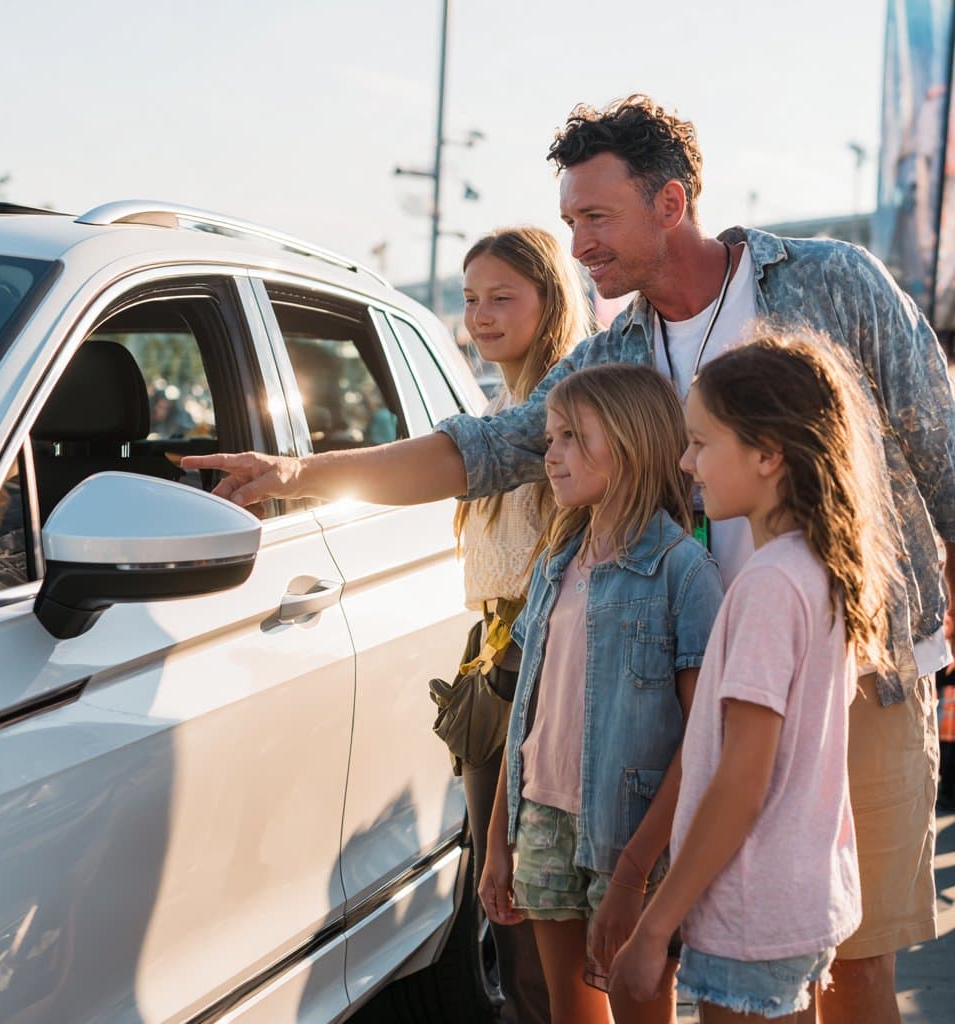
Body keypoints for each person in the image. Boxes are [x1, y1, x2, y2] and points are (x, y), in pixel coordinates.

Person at [183, 94, 955, 1024]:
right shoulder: (615, 350)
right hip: (691, 690)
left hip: (853, 672)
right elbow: (486, 449)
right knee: (725, 963)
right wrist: (298, 472)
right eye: (570, 222)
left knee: (850, 960)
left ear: (670, 203)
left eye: (597, 217)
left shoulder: (833, 282)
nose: (581, 244)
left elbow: (938, 447)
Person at [611, 331, 899, 1021]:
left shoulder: (769, 585)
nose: (686, 463)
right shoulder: (814, 568)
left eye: (702, 443)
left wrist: (654, 928)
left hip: (752, 909)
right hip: (795, 899)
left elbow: (743, 779)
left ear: (769, 453)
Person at [478, 363, 722, 1024]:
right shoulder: (556, 565)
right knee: (570, 1013)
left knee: (640, 1005)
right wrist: (499, 841)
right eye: (550, 436)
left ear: (630, 441)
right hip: (544, 822)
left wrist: (632, 873)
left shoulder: (684, 571)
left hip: (632, 836)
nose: (550, 453)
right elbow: (527, 714)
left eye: (569, 437)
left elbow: (704, 743)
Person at [449, 225, 592, 1024]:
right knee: (501, 913)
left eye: (504, 297)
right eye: (472, 298)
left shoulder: (563, 415)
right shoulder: (495, 407)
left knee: (543, 921)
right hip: (487, 666)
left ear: (551, 299)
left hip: (547, 669)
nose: (483, 315)